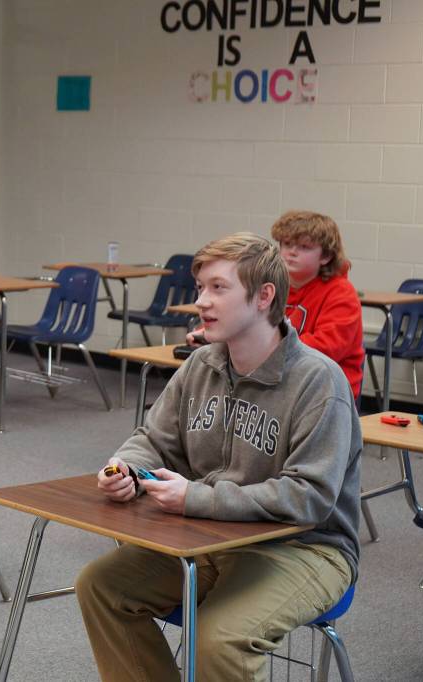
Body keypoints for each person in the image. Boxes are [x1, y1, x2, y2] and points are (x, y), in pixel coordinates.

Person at [76, 233, 360, 681]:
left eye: (218, 288)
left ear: (264, 296)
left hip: (304, 548)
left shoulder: (318, 382)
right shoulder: (201, 364)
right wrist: (126, 468)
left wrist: (197, 498)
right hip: (209, 538)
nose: (202, 302)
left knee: (219, 639)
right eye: (200, 289)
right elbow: (153, 438)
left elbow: (310, 496)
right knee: (102, 587)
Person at [271, 210, 364, 399]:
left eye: (304, 247)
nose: (292, 252)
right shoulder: (271, 285)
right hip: (280, 381)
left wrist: (266, 347)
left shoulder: (341, 292)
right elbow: (244, 320)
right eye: (287, 244)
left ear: (326, 256)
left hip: (328, 390)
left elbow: (327, 347)